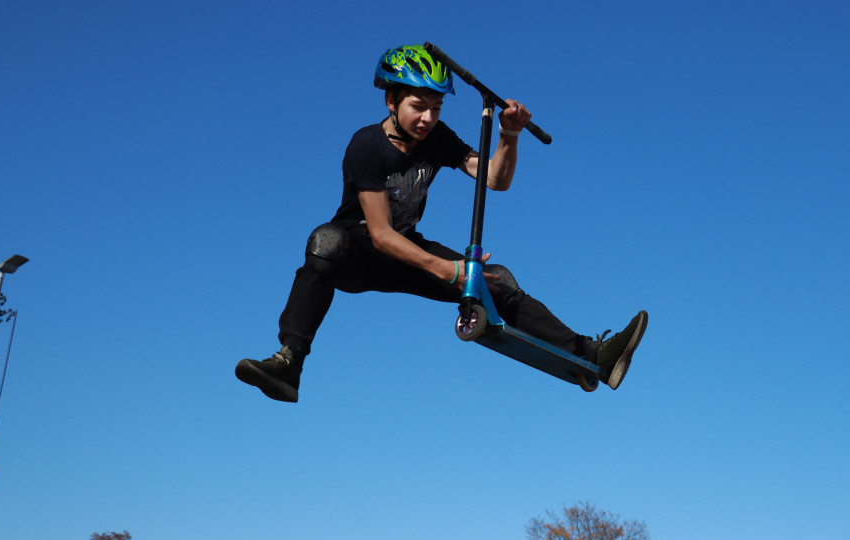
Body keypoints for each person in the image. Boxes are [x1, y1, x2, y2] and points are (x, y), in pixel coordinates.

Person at [236, 44, 646, 403]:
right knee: (325, 241)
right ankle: (289, 362)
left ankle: (593, 356)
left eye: (436, 108)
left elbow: (494, 179)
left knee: (495, 281)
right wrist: (450, 270)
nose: (428, 118)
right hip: (359, 250)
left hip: (407, 249)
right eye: (418, 106)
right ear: (391, 100)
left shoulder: (438, 137)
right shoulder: (366, 145)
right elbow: (379, 234)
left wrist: (508, 135)